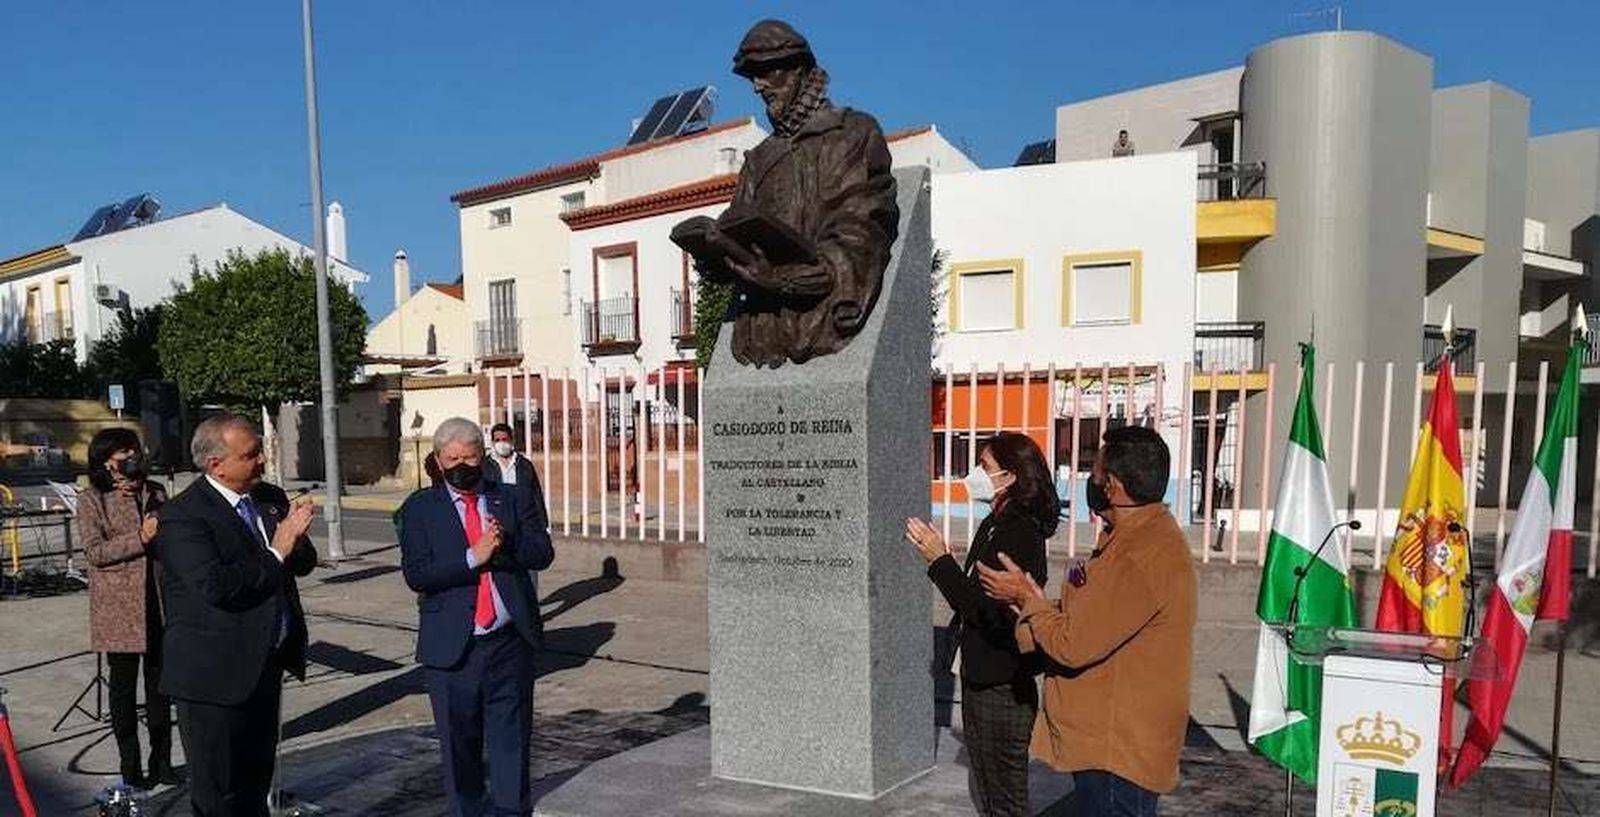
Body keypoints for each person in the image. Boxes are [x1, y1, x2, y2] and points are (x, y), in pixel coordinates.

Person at [979, 426, 1196, 817]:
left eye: (1093, 473)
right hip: (1115, 742)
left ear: (1112, 485)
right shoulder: (1137, 538)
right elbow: (1099, 615)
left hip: (1118, 751)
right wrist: (1039, 604)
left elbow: (1073, 644)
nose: (1089, 482)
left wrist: (1027, 600)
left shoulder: (1138, 555)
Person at [679, 18, 899, 368]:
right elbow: (738, 229)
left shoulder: (853, 133)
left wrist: (784, 280)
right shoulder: (759, 159)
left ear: (798, 69)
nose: (758, 86)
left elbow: (860, 234)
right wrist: (716, 253)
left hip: (821, 315)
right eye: (753, 76)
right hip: (760, 328)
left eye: (767, 72)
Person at [153, 414, 317, 817]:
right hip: (214, 678)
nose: (262, 460)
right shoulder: (182, 515)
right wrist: (277, 549)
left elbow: (303, 563)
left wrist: (294, 539)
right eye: (251, 454)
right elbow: (215, 586)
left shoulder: (268, 497)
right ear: (216, 465)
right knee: (220, 795)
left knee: (255, 786)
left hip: (265, 665)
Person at [400, 417, 553, 817]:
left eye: (469, 458)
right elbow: (418, 574)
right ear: (438, 460)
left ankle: (512, 811)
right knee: (459, 747)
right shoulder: (420, 508)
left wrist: (507, 543)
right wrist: (473, 557)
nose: (462, 467)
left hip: (509, 643)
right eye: (452, 460)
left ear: (482, 456)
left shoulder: (512, 497)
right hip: (453, 648)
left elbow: (543, 552)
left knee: (511, 740)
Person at [905, 432, 1055, 816]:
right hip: (981, 676)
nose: (974, 474)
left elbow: (986, 611)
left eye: (984, 466)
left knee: (1005, 800)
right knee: (988, 794)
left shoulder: (1020, 531)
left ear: (1010, 476)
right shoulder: (996, 522)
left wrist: (939, 561)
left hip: (1002, 683)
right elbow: (978, 595)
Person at [79, 428, 179, 790]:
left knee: (160, 688)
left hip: (157, 601)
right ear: (107, 460)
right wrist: (140, 538)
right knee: (122, 689)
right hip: (119, 607)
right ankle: (130, 767)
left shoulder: (155, 491)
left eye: (135, 450)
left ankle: (162, 761)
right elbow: (95, 552)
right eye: (124, 452)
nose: (132, 458)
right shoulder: (92, 499)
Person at [482, 423, 549, 525]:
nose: (501, 443)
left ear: (512, 440)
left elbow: (535, 493)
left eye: (505, 439)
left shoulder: (524, 465)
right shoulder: (485, 465)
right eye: (497, 440)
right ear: (492, 442)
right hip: (497, 517)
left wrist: (542, 521)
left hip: (522, 516)